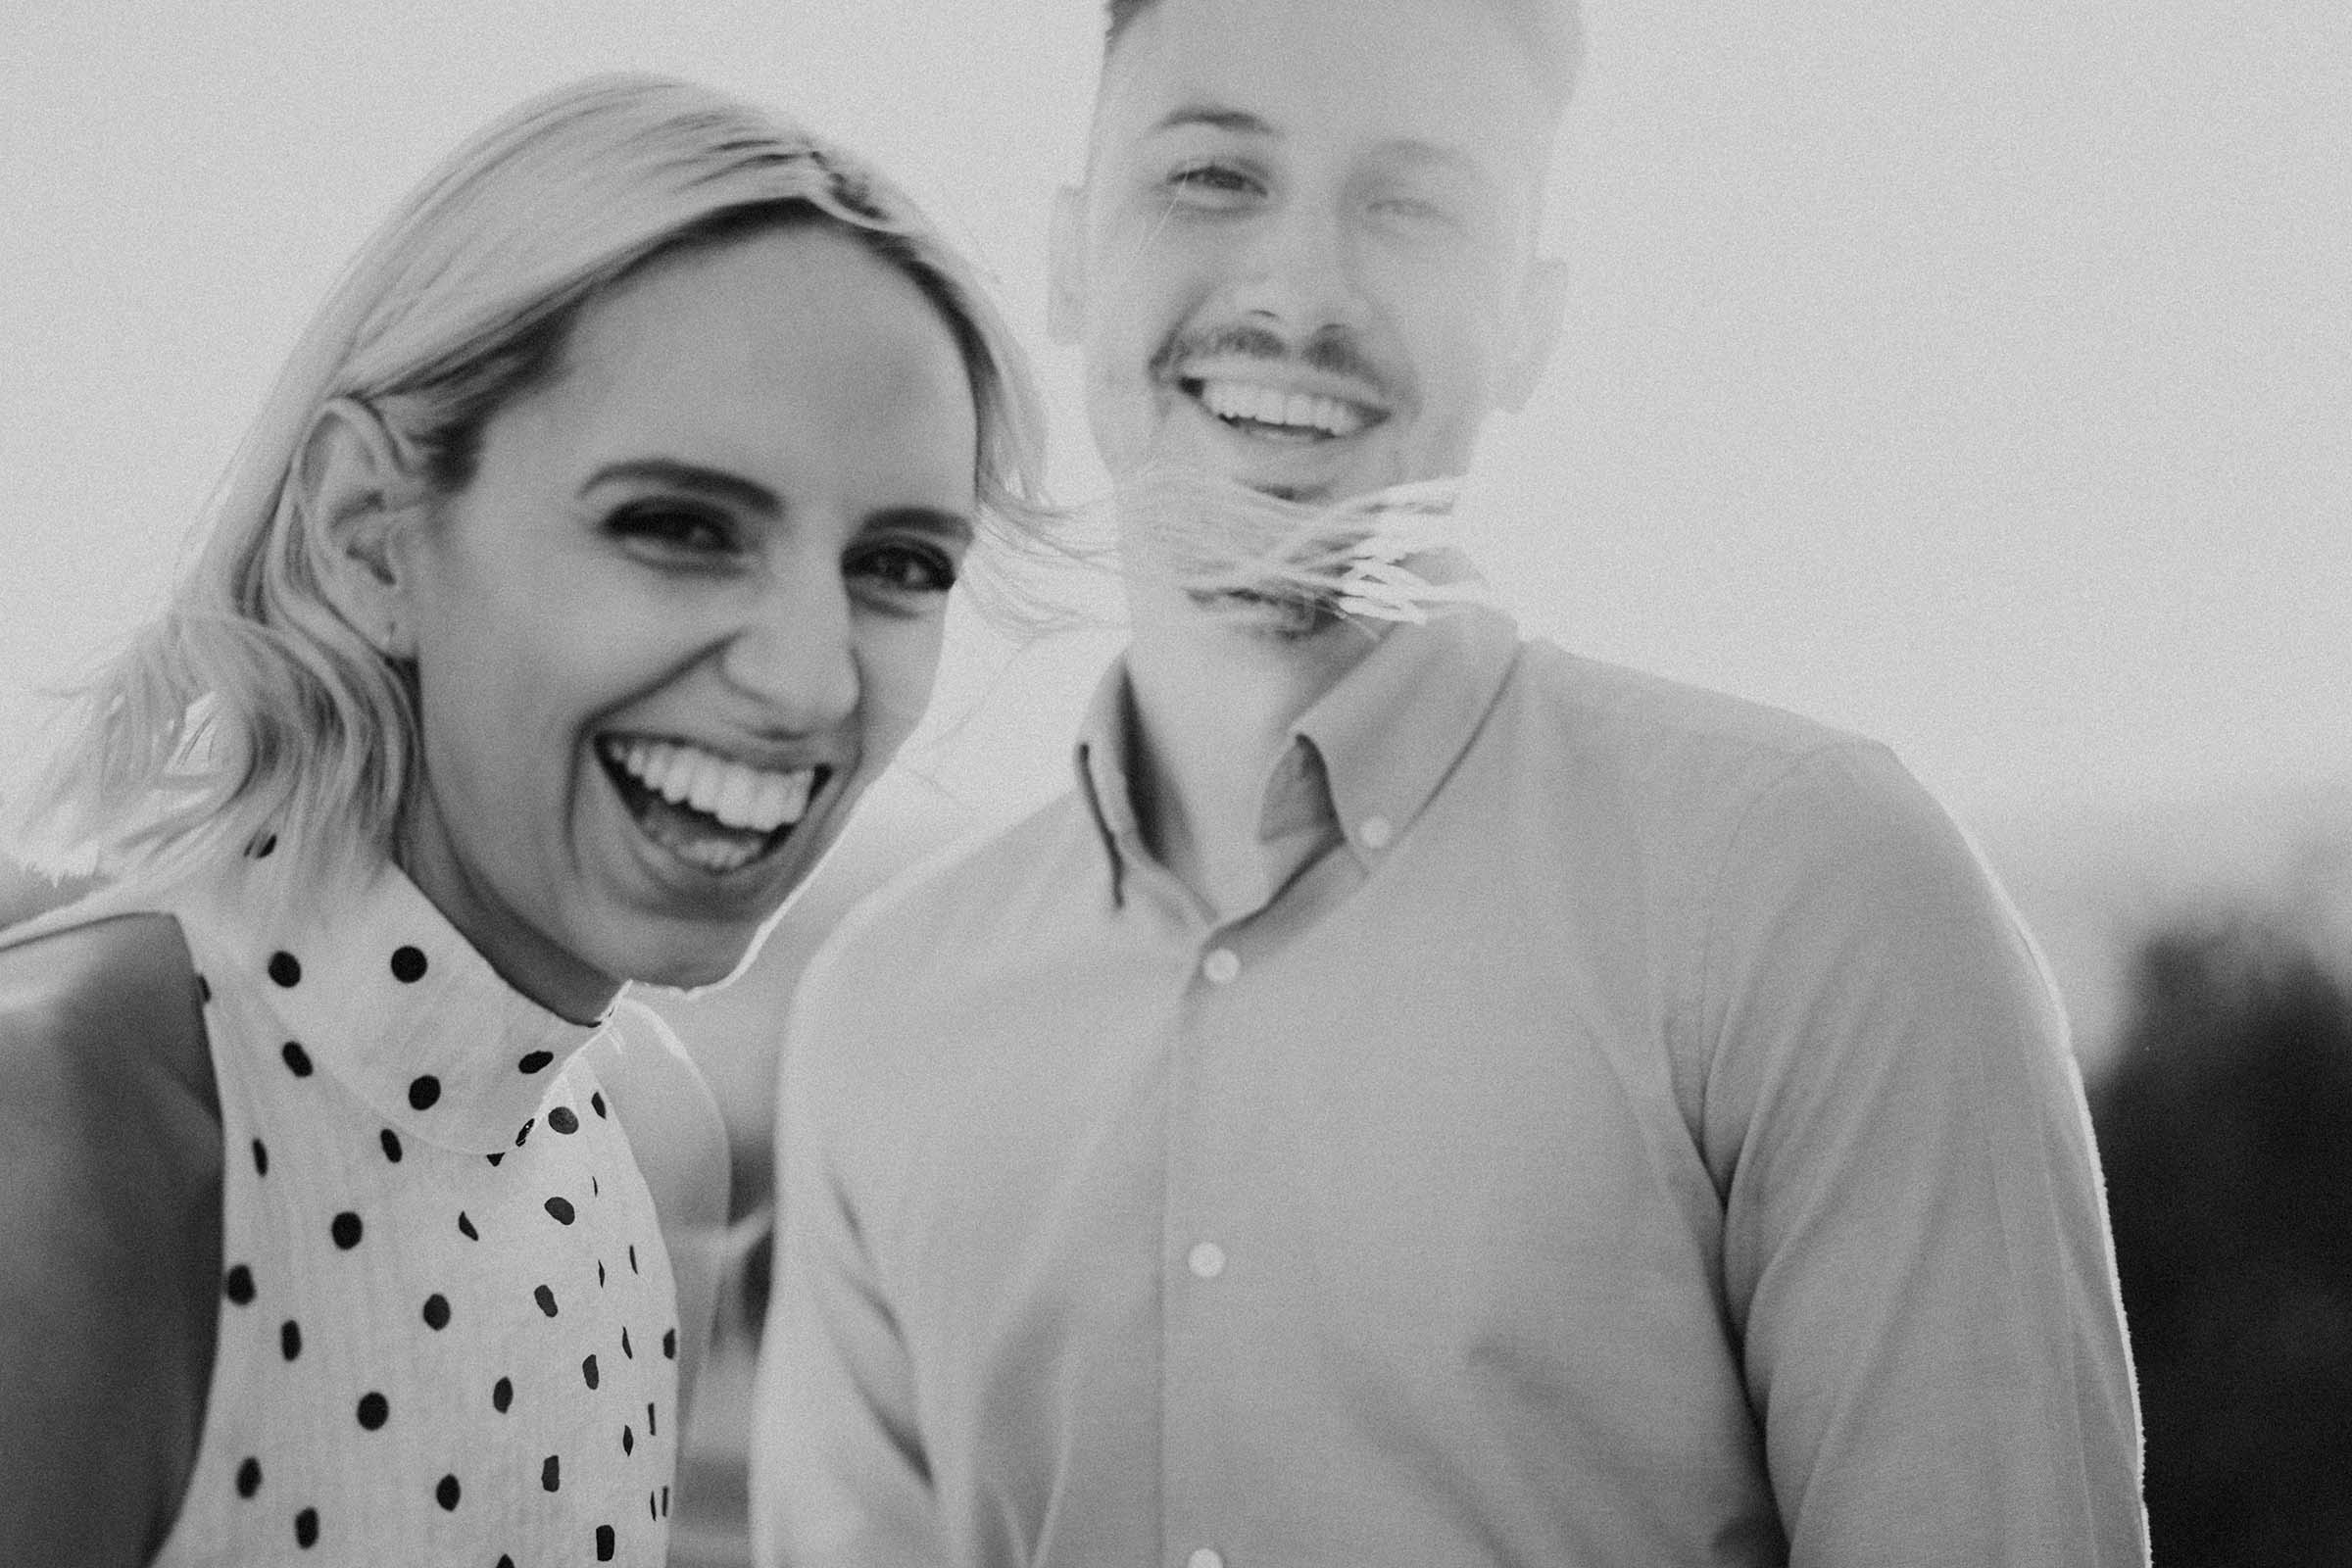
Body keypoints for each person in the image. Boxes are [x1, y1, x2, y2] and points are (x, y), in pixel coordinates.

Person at [752, 1, 2149, 1564]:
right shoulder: (883, 1022)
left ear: (1531, 322)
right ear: (1076, 255)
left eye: (1412, 203)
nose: (1296, 291)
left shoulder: (1815, 897)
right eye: (1214, 176)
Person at [0, 72, 1043, 1567]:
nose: (813, 682)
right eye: (679, 526)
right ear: (369, 536)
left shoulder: (651, 1132)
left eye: (900, 563)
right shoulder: (61, 1135)